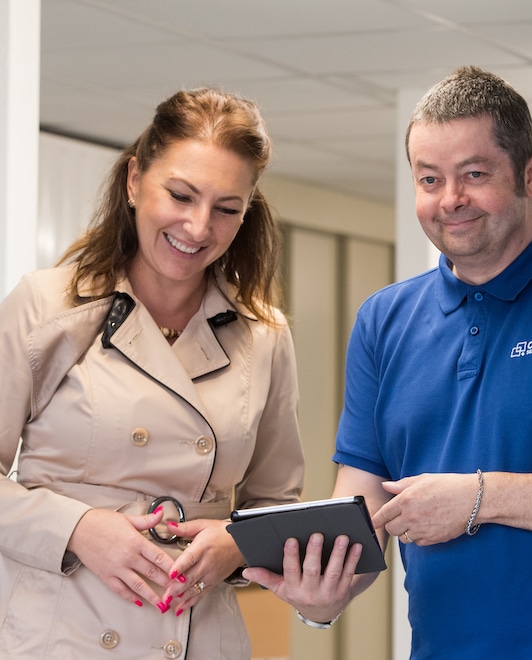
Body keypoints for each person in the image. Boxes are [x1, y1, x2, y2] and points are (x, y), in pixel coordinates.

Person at [244, 65, 532, 658]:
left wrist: (482, 498)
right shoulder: (384, 320)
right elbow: (365, 513)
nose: (450, 199)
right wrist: (321, 598)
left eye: (474, 174)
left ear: (531, 173)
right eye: (429, 179)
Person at [0, 87, 304, 658]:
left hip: (196, 634)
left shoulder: (264, 335)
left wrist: (238, 543)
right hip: (57, 633)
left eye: (226, 209)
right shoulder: (46, 307)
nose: (197, 226)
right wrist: (76, 529)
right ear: (135, 180)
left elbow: (275, 505)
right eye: (181, 195)